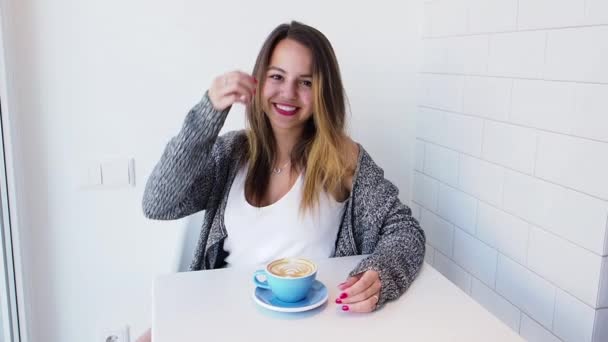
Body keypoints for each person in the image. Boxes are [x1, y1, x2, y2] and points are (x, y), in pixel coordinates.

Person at [137, 21, 425, 342]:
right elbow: (157, 204)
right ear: (258, 82)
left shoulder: (342, 158)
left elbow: (404, 231)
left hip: (305, 327)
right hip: (222, 315)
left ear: (322, 92)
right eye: (277, 76)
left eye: (305, 82)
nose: (288, 93)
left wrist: (382, 272)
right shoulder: (231, 153)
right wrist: (207, 115)